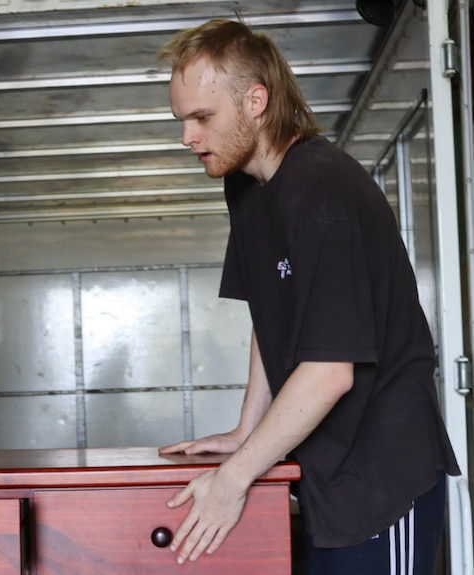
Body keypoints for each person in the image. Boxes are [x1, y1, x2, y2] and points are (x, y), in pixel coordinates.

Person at [157, 19, 460, 575]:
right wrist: (248, 430)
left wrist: (234, 477)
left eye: (203, 118)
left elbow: (329, 373)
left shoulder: (323, 192)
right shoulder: (246, 186)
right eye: (182, 121)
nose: (188, 138)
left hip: (380, 479)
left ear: (256, 101)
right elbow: (271, 313)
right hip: (324, 474)